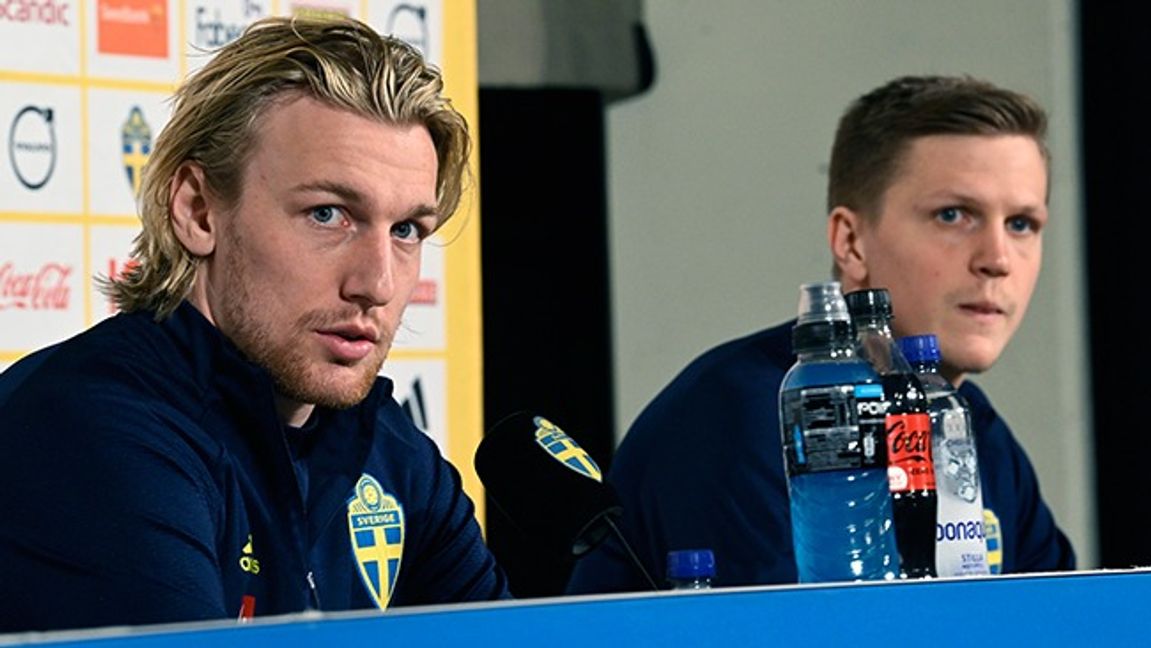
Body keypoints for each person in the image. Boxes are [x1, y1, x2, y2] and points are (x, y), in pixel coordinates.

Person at [0, 16, 508, 633]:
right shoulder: (92, 431)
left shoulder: (388, 450)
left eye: (406, 230)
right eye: (328, 214)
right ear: (197, 210)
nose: (376, 284)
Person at [567, 75, 1076, 593]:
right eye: (953, 215)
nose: (996, 260)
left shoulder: (974, 428)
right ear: (850, 242)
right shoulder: (757, 413)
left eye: (1022, 224)